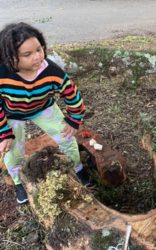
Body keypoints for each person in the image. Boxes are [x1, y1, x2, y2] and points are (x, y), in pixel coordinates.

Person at [0, 22, 89, 204]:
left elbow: (71, 93)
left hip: (44, 108)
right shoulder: (2, 74)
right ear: (9, 57)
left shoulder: (51, 71)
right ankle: (18, 181)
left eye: (39, 49)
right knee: (12, 151)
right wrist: (3, 132)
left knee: (67, 138)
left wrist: (74, 119)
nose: (37, 57)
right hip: (12, 114)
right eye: (27, 54)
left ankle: (78, 168)